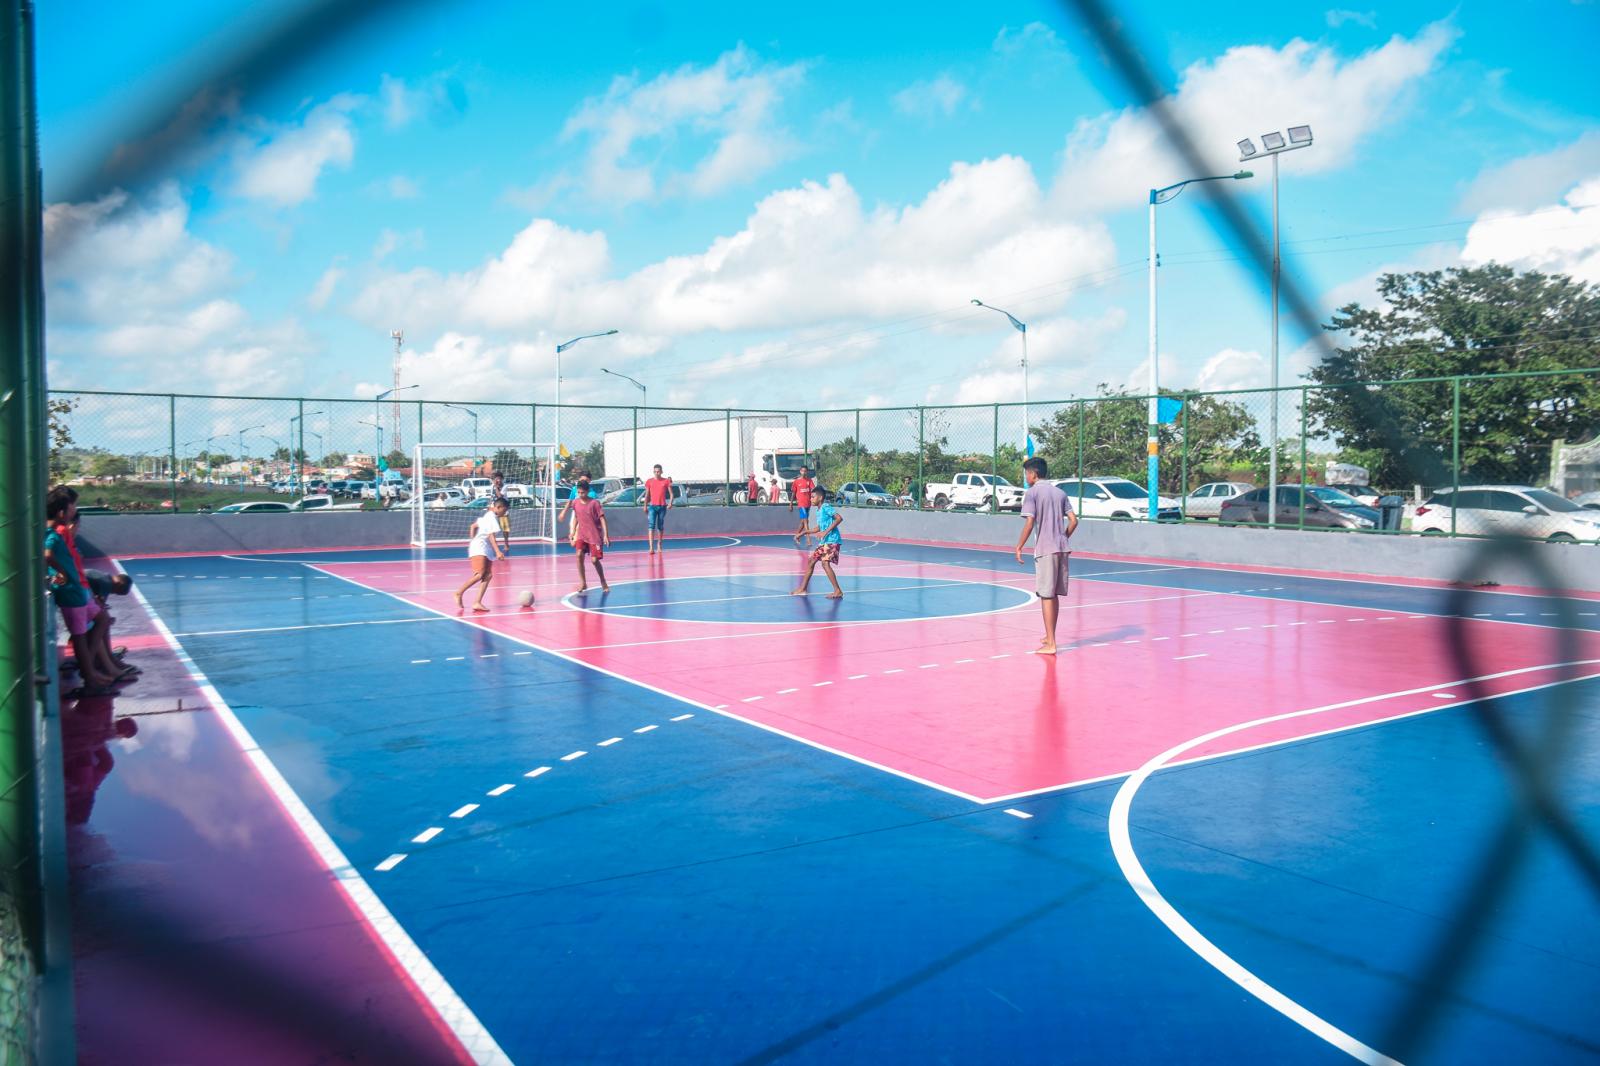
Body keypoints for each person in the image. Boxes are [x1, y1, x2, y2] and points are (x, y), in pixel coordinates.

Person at [45, 493, 121, 694]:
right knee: (79, 636)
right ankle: (90, 678)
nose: (74, 511)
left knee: (101, 620)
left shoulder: (57, 531)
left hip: (78, 588)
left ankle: (92, 667)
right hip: (71, 590)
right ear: (62, 513)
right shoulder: (54, 533)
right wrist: (61, 574)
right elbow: (47, 555)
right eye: (72, 507)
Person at [1014, 457, 1078, 655]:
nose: (1026, 477)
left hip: (1046, 549)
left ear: (1033, 474)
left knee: (1046, 595)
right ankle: (1049, 636)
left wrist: (1019, 546)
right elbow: (1074, 521)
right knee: (1053, 595)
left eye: (1026, 473)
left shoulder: (1032, 493)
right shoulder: (1060, 493)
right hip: (1061, 548)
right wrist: (1062, 538)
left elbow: (1029, 522)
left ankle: (1051, 643)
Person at [455, 496, 509, 612]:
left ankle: (477, 602)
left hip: (483, 548)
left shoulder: (488, 515)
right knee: (479, 574)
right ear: (498, 507)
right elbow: (491, 536)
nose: (505, 513)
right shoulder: (491, 518)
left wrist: (472, 539)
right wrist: (498, 551)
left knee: (488, 576)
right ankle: (459, 592)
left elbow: (473, 526)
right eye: (504, 510)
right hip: (479, 548)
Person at [792, 491, 844, 599]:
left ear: (820, 498)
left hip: (832, 540)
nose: (810, 499)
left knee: (825, 563)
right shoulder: (818, 511)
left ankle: (838, 591)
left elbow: (839, 518)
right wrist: (804, 532)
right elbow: (819, 528)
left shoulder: (825, 506)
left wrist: (826, 532)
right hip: (824, 541)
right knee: (811, 561)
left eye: (813, 497)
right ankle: (803, 589)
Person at [567, 476, 610, 593]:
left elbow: (602, 519)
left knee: (595, 560)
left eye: (583, 492)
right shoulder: (575, 503)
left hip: (594, 536)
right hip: (581, 534)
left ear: (588, 491)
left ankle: (603, 581)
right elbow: (576, 517)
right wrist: (572, 532)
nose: (581, 494)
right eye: (579, 492)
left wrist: (606, 535)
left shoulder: (594, 503)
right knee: (579, 554)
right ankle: (583, 582)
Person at [643, 464, 674, 554]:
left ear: (661, 472)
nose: (657, 473)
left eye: (658, 471)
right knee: (651, 525)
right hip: (652, 507)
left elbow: (671, 494)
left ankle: (659, 545)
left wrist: (670, 503)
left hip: (662, 507)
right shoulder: (649, 481)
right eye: (655, 471)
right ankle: (651, 547)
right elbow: (647, 495)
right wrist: (645, 506)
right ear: (653, 472)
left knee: (660, 526)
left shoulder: (666, 481)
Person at [789, 465, 816, 545]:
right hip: (801, 504)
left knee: (802, 522)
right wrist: (790, 504)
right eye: (802, 471)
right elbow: (793, 493)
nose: (804, 472)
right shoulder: (796, 481)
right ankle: (808, 539)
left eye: (805, 471)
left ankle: (796, 536)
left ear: (807, 472)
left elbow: (813, 491)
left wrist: (814, 500)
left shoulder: (809, 480)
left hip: (808, 504)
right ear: (800, 471)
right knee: (806, 521)